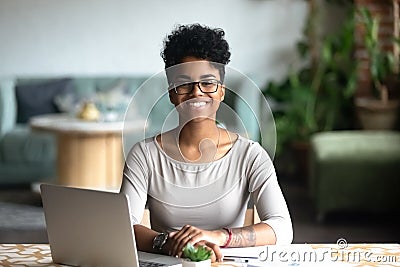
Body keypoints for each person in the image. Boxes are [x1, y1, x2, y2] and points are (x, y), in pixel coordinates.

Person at [120, 24, 292, 262]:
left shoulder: (250, 155)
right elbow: (123, 226)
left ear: (221, 90)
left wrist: (218, 237)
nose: (197, 93)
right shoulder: (145, 155)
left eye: (208, 83)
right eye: (184, 84)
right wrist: (167, 243)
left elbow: (282, 228)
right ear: (171, 92)